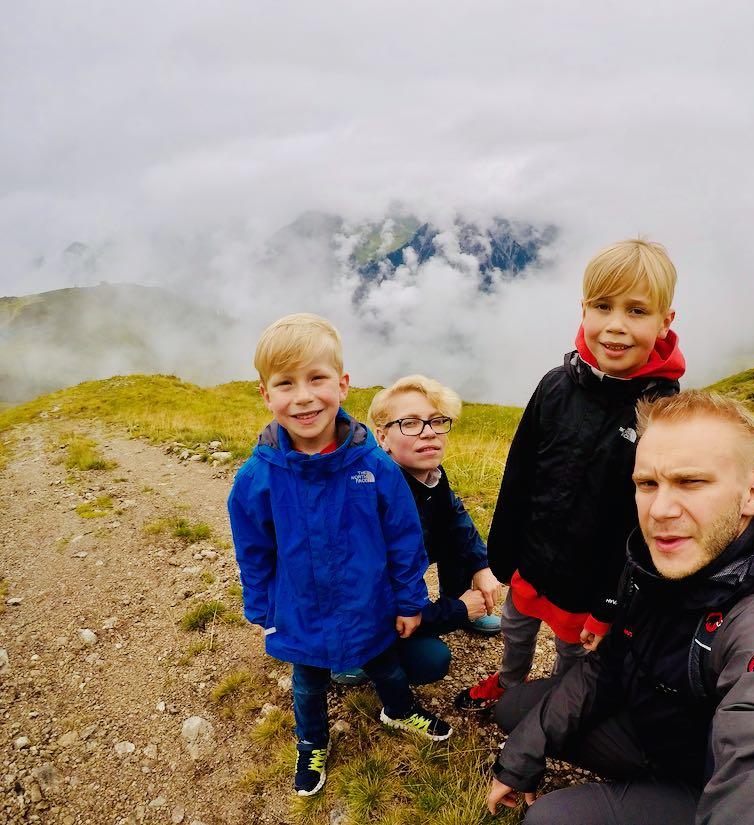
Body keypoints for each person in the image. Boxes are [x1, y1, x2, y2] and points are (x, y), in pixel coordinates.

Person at [486, 390, 754, 825]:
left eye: (690, 482)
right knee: (514, 710)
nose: (659, 510)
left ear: (752, 494)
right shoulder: (652, 559)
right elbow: (607, 665)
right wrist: (521, 757)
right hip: (649, 733)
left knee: (550, 821)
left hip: (706, 781)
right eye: (647, 484)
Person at [227, 313, 452, 799]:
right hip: (300, 611)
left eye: (317, 378)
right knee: (307, 682)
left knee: (385, 665)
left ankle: (398, 710)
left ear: (343, 385)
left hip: (369, 604)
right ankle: (312, 742)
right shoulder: (256, 479)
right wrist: (262, 609)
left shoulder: (375, 466)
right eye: (286, 383)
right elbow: (254, 551)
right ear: (266, 394)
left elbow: (404, 539)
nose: (303, 396)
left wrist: (410, 601)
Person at [455, 239, 685, 711]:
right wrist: (503, 554)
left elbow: (649, 523)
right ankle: (510, 681)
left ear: (665, 321)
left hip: (591, 582)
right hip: (533, 560)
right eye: (603, 306)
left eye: (637, 311)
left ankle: (557, 708)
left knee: (572, 651)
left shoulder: (661, 412)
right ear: (583, 309)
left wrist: (611, 603)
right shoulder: (555, 386)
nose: (616, 325)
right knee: (516, 627)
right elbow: (519, 472)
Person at [330, 374, 504, 686]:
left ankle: (463, 603)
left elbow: (457, 518)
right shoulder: (368, 496)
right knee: (431, 661)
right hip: (357, 610)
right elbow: (381, 604)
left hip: (399, 575)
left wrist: (481, 565)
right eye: (410, 423)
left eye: (437, 421)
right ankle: (350, 654)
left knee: (454, 536)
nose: (429, 433)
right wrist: (458, 610)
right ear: (382, 437)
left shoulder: (431, 473)